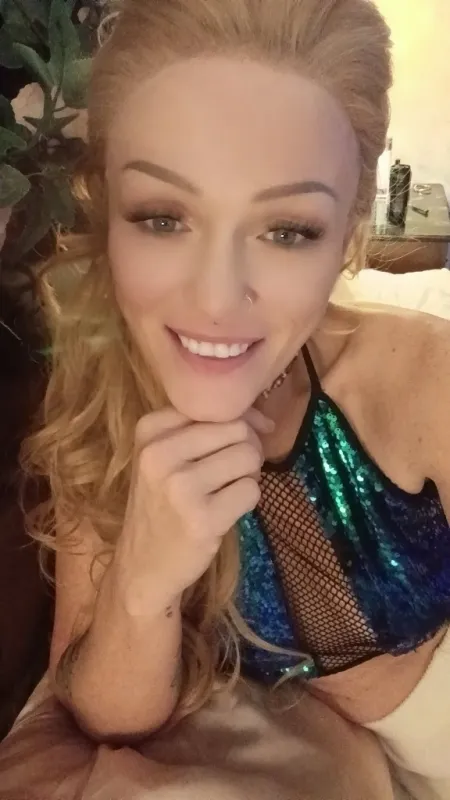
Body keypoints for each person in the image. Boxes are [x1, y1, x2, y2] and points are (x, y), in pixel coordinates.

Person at [0, 0, 449, 798]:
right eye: (163, 218)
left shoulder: (427, 378)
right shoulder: (101, 382)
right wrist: (144, 580)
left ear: (349, 229)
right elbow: (104, 714)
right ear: (106, 209)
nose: (214, 300)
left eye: (288, 231)